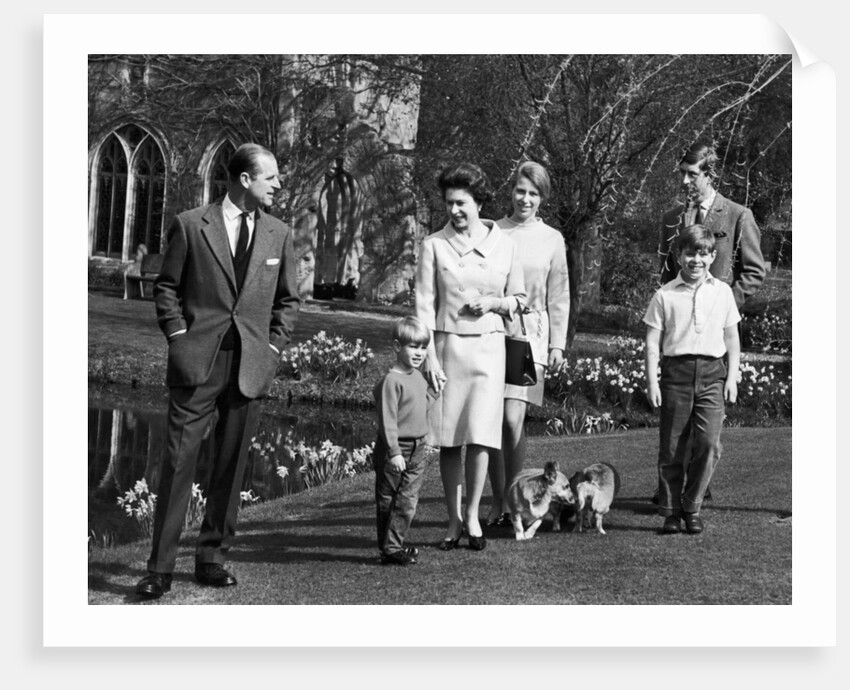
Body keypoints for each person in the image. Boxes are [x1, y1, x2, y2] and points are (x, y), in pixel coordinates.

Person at [135, 143, 300, 599]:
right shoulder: (191, 224)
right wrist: (177, 337)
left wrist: (272, 347)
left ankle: (211, 557)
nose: (278, 185)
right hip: (197, 363)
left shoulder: (279, 234)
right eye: (271, 177)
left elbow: (288, 300)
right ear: (245, 180)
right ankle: (160, 568)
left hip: (249, 366)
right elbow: (166, 288)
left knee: (230, 464)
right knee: (177, 461)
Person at [415, 162, 526, 552]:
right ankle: (452, 521)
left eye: (461, 203)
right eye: (449, 203)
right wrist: (428, 356)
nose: (454, 211)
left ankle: (475, 517)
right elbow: (424, 307)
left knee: (480, 436)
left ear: (479, 201)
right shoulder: (433, 245)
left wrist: (495, 303)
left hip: (489, 351)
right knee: (448, 439)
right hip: (447, 350)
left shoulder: (505, 245)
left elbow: (521, 300)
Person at [655, 142, 766, 503]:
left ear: (710, 174)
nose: (686, 180)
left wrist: (724, 304)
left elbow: (753, 270)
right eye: (682, 174)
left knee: (706, 424)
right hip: (679, 330)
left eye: (693, 174)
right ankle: (671, 493)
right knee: (675, 423)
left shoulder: (735, 215)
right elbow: (665, 273)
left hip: (716, 330)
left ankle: (697, 490)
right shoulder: (672, 217)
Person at [485, 161, 570, 527]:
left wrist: (557, 344)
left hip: (528, 338)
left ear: (542, 198)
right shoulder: (492, 231)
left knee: (512, 419)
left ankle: (512, 498)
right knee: (489, 420)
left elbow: (559, 296)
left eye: (533, 193)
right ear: (512, 191)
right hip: (491, 333)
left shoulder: (552, 239)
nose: (525, 198)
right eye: (521, 191)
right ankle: (499, 502)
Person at [644, 225, 741, 535]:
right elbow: (651, 343)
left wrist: (733, 377)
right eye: (689, 253)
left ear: (712, 256)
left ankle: (692, 504)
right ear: (679, 256)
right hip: (676, 375)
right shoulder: (665, 295)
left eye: (703, 253)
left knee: (710, 445)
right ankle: (671, 513)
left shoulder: (723, 292)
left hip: (713, 375)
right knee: (672, 448)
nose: (696, 260)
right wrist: (652, 382)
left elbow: (732, 337)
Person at [372, 316, 435, 566]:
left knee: (408, 500)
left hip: (418, 447)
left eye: (423, 347)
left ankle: (393, 546)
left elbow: (421, 407)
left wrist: (435, 392)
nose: (419, 353)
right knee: (388, 498)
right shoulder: (392, 381)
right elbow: (388, 421)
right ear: (398, 347)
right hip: (395, 448)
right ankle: (391, 548)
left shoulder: (417, 377)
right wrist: (395, 451)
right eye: (413, 347)